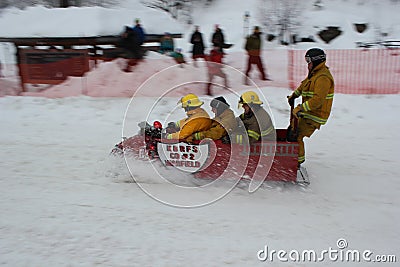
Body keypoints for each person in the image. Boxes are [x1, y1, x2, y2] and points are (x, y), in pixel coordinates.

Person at [287, 48, 334, 166]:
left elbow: (317, 100)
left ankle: (296, 163)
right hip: (308, 113)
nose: (308, 65)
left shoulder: (323, 78)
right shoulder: (315, 74)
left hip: (316, 115)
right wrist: (294, 95)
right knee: (291, 131)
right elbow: (304, 85)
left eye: (309, 62)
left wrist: (301, 108)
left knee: (297, 135)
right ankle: (292, 160)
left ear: (317, 61)